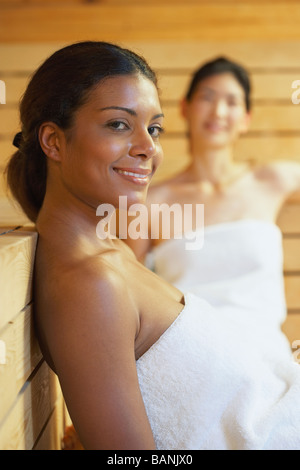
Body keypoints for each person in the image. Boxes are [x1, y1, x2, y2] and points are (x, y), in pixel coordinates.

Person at [5, 43, 300, 451]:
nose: (149, 148)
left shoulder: (106, 255)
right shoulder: (88, 283)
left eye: (154, 129)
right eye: (119, 125)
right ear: (53, 142)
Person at [125, 57, 300, 347]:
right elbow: (124, 289)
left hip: (266, 349)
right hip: (189, 351)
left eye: (232, 102)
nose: (218, 111)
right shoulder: (152, 203)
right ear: (185, 108)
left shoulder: (271, 181)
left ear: (246, 119)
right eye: (207, 98)